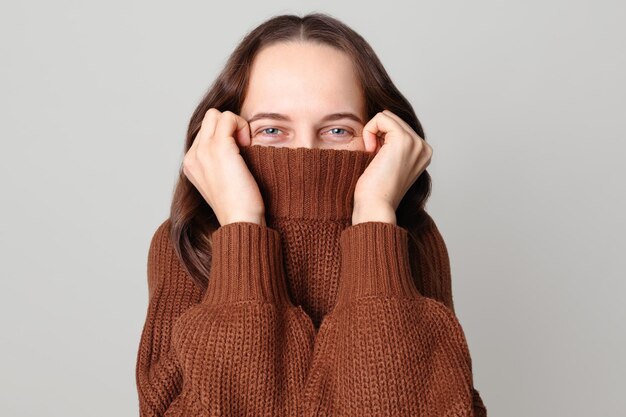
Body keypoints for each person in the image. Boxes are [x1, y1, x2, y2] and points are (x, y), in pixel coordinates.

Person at [136, 12, 487, 416]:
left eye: (337, 130)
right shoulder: (191, 238)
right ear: (228, 134)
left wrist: (375, 220)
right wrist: (241, 228)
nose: (307, 151)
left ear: (377, 136)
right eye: (271, 129)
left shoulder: (410, 237)